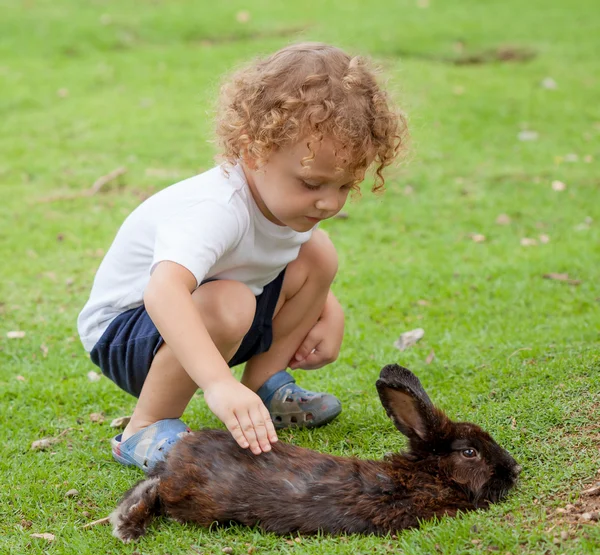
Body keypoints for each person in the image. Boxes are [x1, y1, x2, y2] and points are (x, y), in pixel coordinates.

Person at [77, 42, 405, 472]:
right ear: (254, 152)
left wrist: (328, 309)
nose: (328, 203)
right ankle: (146, 425)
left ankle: (265, 387)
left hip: (209, 320)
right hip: (126, 334)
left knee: (318, 253)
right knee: (230, 302)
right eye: (311, 184)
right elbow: (164, 292)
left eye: (343, 186)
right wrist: (217, 384)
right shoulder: (216, 209)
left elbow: (276, 255)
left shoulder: (282, 201)